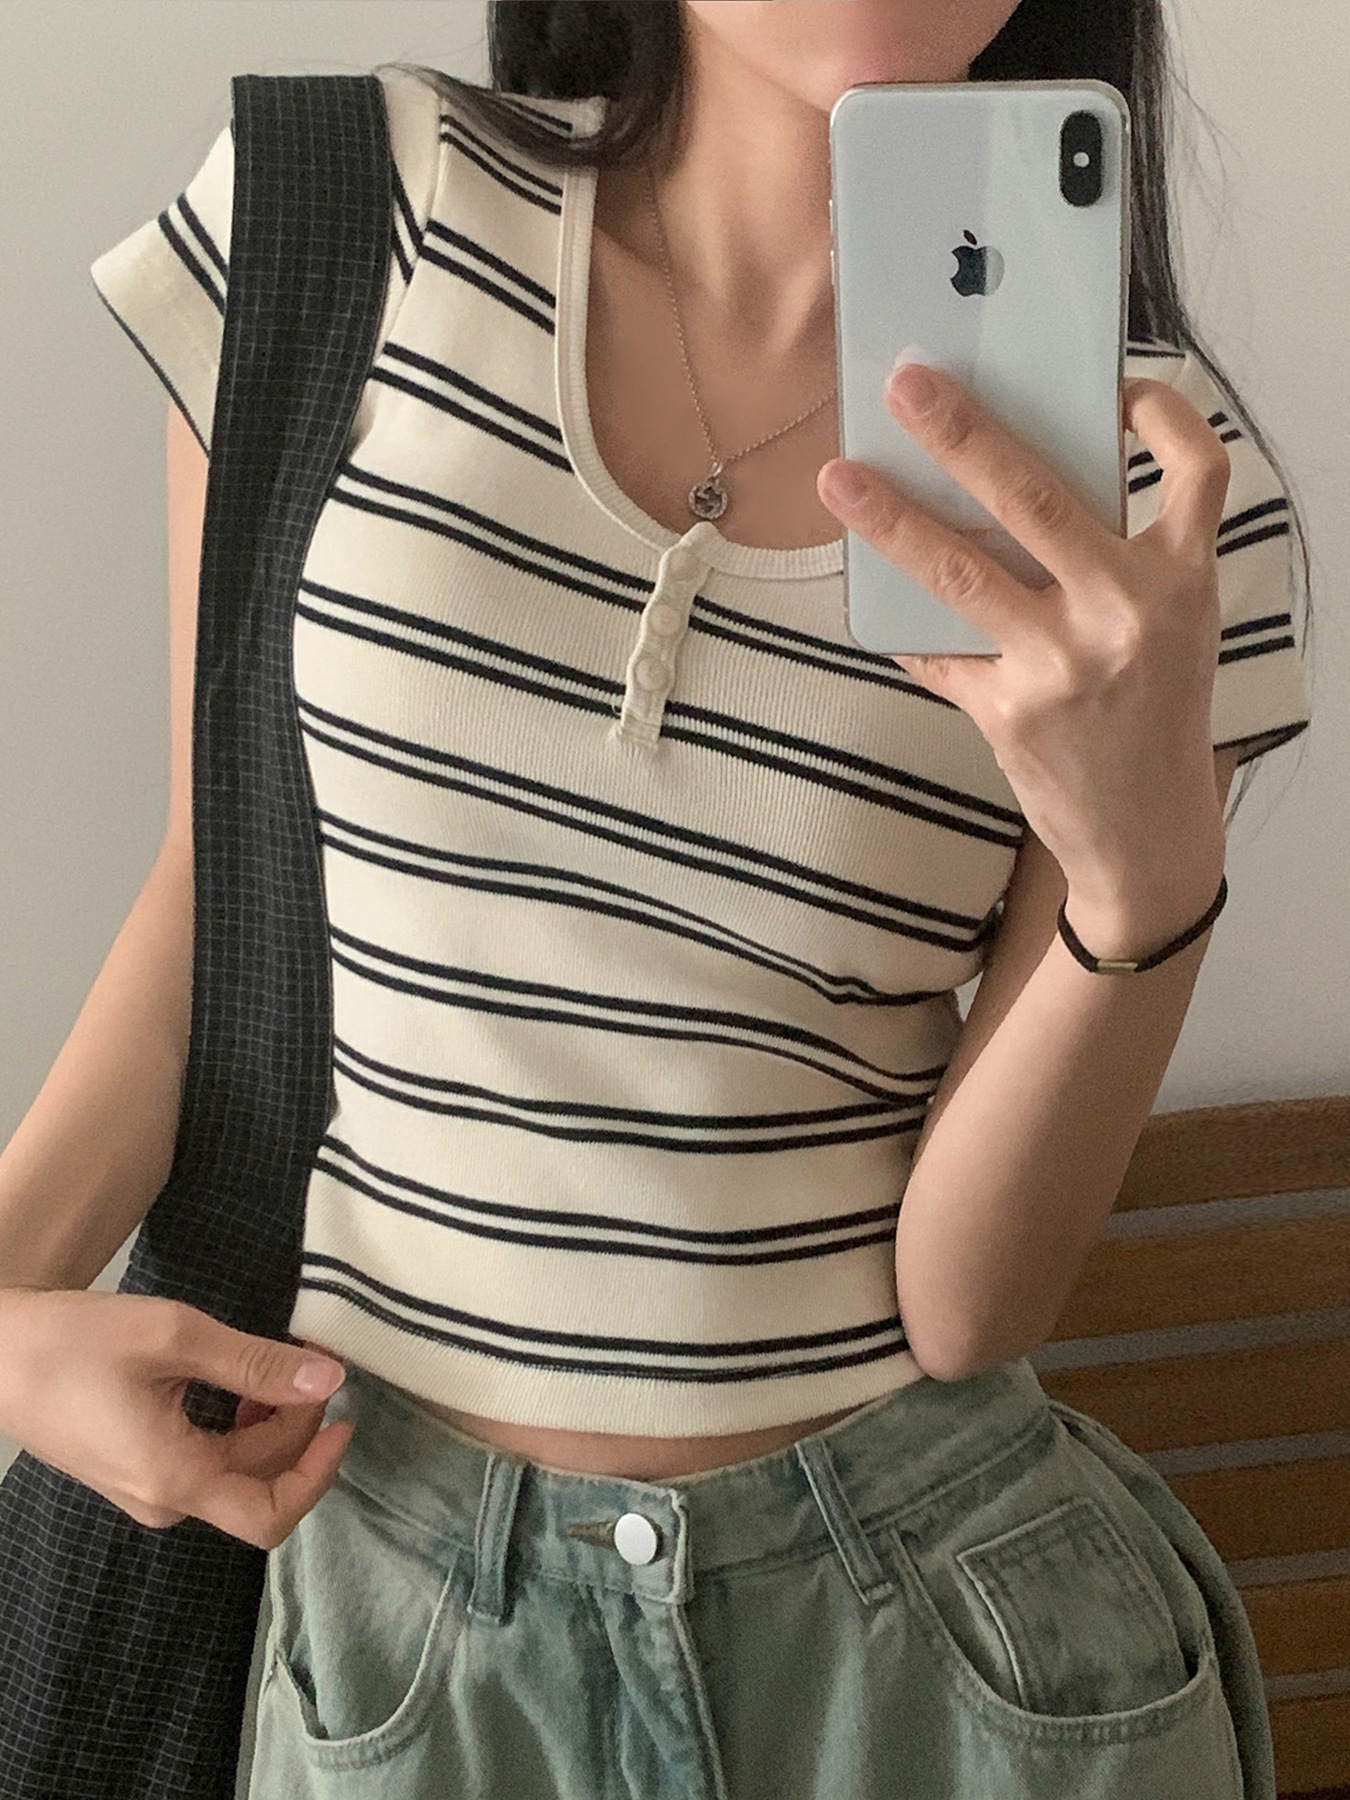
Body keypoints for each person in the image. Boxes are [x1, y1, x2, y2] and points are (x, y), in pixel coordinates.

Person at [0, 2, 1312, 1796]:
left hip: (934, 1645)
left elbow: (968, 1309)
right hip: (400, 1617)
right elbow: (217, 900)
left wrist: (1141, 878)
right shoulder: (345, 213)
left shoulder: (1159, 498)